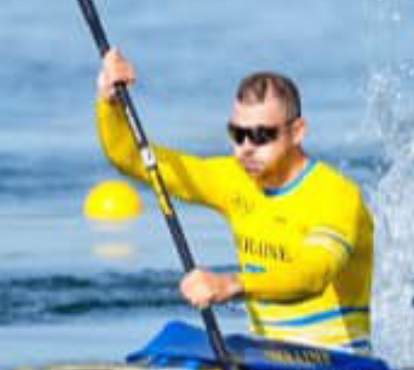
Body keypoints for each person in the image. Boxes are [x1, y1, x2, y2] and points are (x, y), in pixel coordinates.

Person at [96, 48, 375, 353]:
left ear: (298, 132)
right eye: (237, 134)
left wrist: (230, 284)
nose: (245, 148)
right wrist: (109, 103)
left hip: (342, 365)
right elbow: (134, 159)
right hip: (267, 357)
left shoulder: (335, 195)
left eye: (261, 135)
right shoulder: (233, 180)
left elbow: (313, 275)